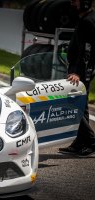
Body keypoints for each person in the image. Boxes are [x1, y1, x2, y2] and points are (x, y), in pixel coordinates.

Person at [59, 0, 95, 156]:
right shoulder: (85, 18)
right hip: (80, 69)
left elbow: (87, 51)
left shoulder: (89, 21)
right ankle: (81, 142)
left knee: (73, 104)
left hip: (81, 71)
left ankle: (91, 141)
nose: (72, 3)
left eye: (76, 1)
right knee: (81, 105)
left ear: (85, 3)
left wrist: (78, 73)